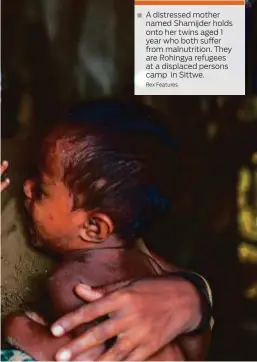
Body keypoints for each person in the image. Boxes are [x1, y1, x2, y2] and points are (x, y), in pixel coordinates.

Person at [1, 101, 213, 361]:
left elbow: (80, 356)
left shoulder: (73, 279)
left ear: (94, 227)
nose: (26, 187)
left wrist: (18, 328)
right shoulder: (151, 265)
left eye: (41, 191)